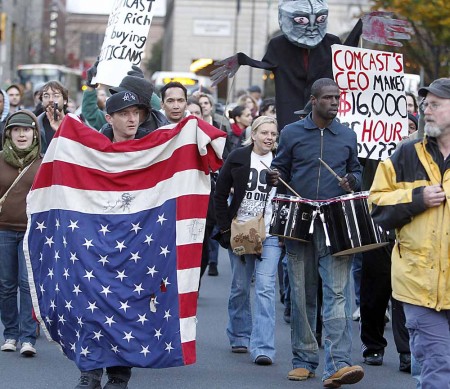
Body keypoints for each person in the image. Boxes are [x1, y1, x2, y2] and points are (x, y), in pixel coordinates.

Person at [266, 78, 364, 387]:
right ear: (313, 100)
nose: (335, 102)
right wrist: (275, 176)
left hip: (336, 222)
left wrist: (352, 180)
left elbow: (357, 172)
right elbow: (279, 168)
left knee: (337, 293)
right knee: (301, 292)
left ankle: (339, 363)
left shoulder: (347, 135)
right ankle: (304, 360)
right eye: (328, 97)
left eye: (337, 97)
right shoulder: (292, 133)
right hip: (299, 221)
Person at [211, 3, 411, 131]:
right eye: (302, 20)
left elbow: (345, 57)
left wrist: (360, 28)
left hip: (323, 115)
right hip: (291, 113)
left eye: (320, 20)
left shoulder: (330, 42)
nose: (312, 26)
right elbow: (267, 64)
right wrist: (242, 59)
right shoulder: (279, 45)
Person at [369, 77, 450, 388]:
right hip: (418, 282)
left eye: (435, 104)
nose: (426, 110)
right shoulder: (405, 154)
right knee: (437, 369)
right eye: (425, 104)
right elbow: (376, 204)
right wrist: (417, 200)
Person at [73, 90, 147, 388]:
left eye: (136, 113)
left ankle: (119, 374)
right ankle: (90, 372)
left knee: (126, 309)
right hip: (97, 241)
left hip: (135, 243)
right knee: (92, 306)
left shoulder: (150, 150)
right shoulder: (95, 152)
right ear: (109, 118)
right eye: (125, 113)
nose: (132, 118)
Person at [214, 116, 282, 366]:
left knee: (264, 288)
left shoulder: (282, 161)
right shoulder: (239, 157)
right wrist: (224, 230)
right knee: (240, 287)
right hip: (241, 231)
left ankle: (263, 347)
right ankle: (240, 334)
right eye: (264, 132)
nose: (268, 138)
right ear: (253, 134)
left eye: (273, 134)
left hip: (270, 234)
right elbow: (220, 194)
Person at [0, 110, 43, 357]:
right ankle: (10, 335)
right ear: (9, 134)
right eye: (16, 130)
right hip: (3, 230)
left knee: (28, 285)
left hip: (32, 233)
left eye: (26, 130)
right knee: (6, 285)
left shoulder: (42, 163)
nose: (22, 134)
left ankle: (28, 338)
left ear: (34, 134)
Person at [37, 80, 69, 153]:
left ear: (65, 100)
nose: (51, 100)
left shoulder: (75, 123)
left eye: (56, 95)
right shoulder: (35, 125)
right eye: (46, 96)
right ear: (41, 101)